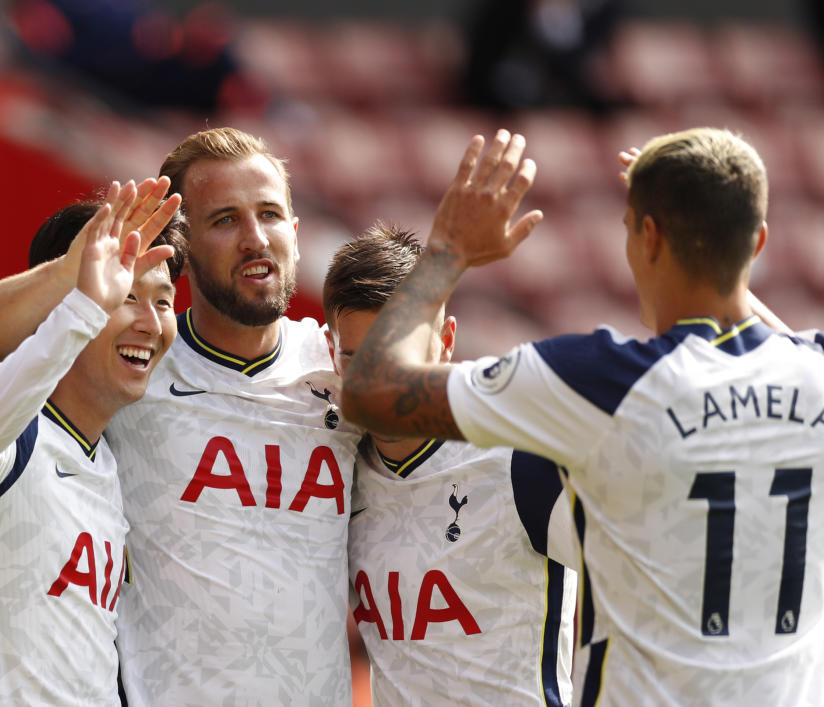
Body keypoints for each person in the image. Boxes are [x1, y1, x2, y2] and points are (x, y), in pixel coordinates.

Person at [341, 127, 824, 705]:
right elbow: (776, 350)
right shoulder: (813, 373)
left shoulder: (599, 379)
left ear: (647, 237)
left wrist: (448, 250)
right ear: (759, 242)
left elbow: (371, 390)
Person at [0, 127, 363, 706]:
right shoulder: (132, 369)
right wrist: (74, 277)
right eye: (225, 220)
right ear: (185, 244)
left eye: (270, 213)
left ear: (295, 227)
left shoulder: (343, 371)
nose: (255, 238)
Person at [0, 183, 185, 705]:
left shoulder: (110, 459)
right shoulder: (10, 434)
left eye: (163, 301)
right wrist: (81, 301)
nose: (151, 322)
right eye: (126, 296)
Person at [323, 223, 578, 706]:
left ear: (446, 341)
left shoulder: (522, 456)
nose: (378, 386)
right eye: (356, 360)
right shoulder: (337, 466)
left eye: (396, 360)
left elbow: (649, 574)